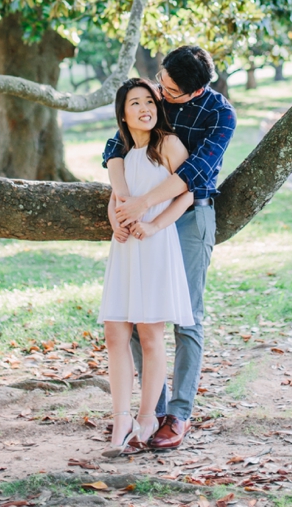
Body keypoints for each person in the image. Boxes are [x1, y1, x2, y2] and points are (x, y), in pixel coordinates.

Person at [100, 44, 236, 452]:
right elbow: (116, 146)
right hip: (140, 220)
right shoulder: (157, 94)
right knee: (141, 314)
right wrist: (123, 208)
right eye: (161, 81)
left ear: (193, 93)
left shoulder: (220, 115)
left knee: (186, 317)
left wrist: (146, 209)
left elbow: (195, 174)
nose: (161, 93)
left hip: (190, 216)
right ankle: (150, 409)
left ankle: (177, 413)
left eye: (170, 90)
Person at [98, 79, 195, 457]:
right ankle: (121, 417)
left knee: (151, 337)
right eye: (135, 103)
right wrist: (115, 221)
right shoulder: (123, 154)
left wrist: (154, 225)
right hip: (125, 249)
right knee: (115, 334)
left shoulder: (168, 145)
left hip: (155, 245)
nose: (145, 108)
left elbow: (188, 194)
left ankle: (146, 418)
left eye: (149, 101)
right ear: (123, 113)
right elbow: (115, 199)